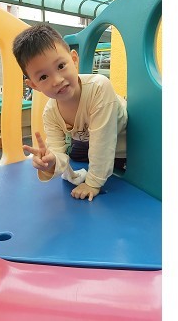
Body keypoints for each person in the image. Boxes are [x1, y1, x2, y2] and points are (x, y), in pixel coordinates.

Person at [12, 24, 127, 202]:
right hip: (88, 141)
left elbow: (103, 144)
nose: (57, 80)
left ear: (74, 60)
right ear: (34, 85)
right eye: (43, 77)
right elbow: (58, 152)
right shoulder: (50, 113)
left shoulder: (99, 87)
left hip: (126, 142)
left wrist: (93, 183)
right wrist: (50, 162)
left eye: (61, 66)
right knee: (73, 155)